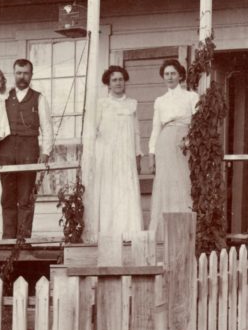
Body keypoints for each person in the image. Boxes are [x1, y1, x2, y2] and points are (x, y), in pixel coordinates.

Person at [0, 58, 51, 240]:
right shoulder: (3, 96)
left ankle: (22, 241)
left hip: (28, 150)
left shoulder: (39, 98)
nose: (22, 76)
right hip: (7, 150)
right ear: (14, 74)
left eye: (26, 73)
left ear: (31, 75)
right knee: (8, 196)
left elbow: (47, 127)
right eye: (19, 73)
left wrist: (45, 152)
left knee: (25, 197)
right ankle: (8, 240)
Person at [85, 65, 144, 241]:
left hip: (126, 156)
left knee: (125, 192)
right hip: (106, 156)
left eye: (121, 79)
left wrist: (138, 155)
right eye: (114, 80)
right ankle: (107, 233)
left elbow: (136, 132)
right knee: (109, 192)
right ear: (108, 84)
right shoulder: (101, 104)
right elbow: (91, 132)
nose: (118, 83)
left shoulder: (131, 104)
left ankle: (127, 233)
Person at [148, 58, 199, 233]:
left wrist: (189, 140)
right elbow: (156, 128)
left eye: (173, 74)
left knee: (182, 182)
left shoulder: (191, 97)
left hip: (183, 142)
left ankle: (183, 230)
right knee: (166, 184)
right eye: (166, 74)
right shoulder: (160, 101)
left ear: (180, 76)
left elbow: (197, 123)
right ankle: (164, 231)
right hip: (164, 143)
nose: (169, 77)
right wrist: (151, 153)